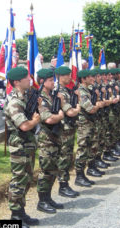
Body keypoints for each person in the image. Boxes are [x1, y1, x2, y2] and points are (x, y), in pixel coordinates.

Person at [4, 67, 40, 228]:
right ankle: (15, 215)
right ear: (17, 82)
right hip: (19, 145)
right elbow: (24, 125)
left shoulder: (25, 97)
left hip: (28, 144)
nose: (30, 79)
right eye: (26, 77)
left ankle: (21, 211)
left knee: (26, 178)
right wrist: (35, 121)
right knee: (19, 180)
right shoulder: (14, 101)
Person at [36, 68, 65, 214]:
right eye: (50, 80)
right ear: (42, 82)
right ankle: (42, 201)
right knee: (46, 170)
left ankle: (48, 198)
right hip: (46, 139)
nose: (53, 83)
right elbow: (48, 118)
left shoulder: (52, 96)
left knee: (53, 170)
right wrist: (60, 115)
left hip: (55, 137)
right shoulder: (39, 98)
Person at [56, 66, 81, 198]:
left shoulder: (67, 90)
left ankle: (65, 184)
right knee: (64, 157)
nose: (70, 77)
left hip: (69, 128)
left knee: (68, 156)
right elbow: (70, 112)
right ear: (60, 77)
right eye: (67, 75)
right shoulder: (59, 91)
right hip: (64, 129)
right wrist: (78, 108)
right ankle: (63, 185)